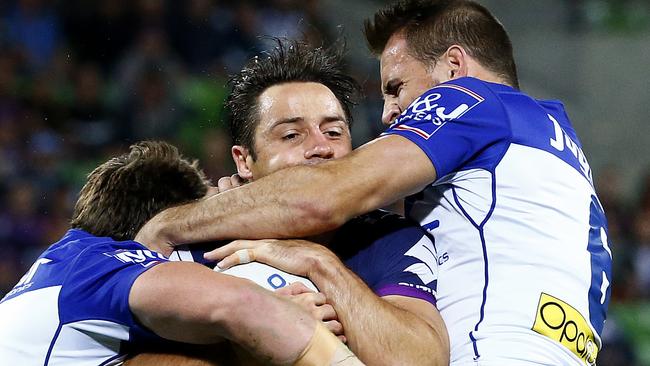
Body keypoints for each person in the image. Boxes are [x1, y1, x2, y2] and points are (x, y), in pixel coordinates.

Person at [136, 1, 613, 365]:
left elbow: (321, 197)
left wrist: (174, 223)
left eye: (395, 88)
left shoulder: (475, 101)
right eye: (290, 133)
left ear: (453, 68)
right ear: (245, 159)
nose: (387, 115)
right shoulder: (551, 149)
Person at [129, 39, 448, 366]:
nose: (321, 147)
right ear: (243, 162)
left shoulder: (387, 237)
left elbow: (418, 362)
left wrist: (321, 263)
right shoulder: (195, 245)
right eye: (292, 135)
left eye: (334, 132)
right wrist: (258, 330)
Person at [0, 141, 363, 366]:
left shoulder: (67, 268)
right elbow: (240, 307)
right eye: (204, 219)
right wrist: (280, 316)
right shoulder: (98, 266)